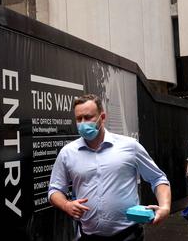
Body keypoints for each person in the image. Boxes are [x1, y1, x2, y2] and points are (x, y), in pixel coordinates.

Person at [49, 94, 171, 241]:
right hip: (88, 237)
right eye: (78, 119)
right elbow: (54, 190)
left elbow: (157, 178)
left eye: (88, 117)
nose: (83, 123)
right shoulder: (68, 153)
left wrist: (164, 207)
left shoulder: (129, 146)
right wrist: (67, 205)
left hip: (129, 235)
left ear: (103, 117)